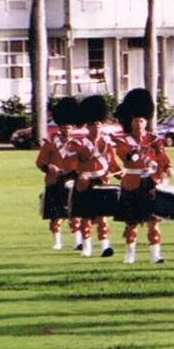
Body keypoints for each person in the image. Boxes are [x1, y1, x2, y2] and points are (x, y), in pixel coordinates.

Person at [111, 88, 174, 265]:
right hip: (132, 182)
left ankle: (155, 254)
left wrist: (167, 167)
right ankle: (130, 253)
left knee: (153, 221)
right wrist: (142, 157)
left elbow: (163, 157)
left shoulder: (154, 140)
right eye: (136, 120)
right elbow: (128, 157)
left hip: (151, 183)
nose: (139, 124)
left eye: (142, 120)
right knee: (132, 222)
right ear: (130, 122)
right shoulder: (123, 141)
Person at [64, 94, 119, 258]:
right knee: (85, 217)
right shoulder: (78, 144)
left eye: (99, 124)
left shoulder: (107, 144)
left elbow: (113, 164)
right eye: (93, 125)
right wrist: (80, 174)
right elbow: (70, 163)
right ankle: (87, 247)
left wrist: (123, 175)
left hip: (102, 181)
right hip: (85, 183)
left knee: (102, 217)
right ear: (87, 127)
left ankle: (105, 246)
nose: (96, 128)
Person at [35, 95, 80, 250]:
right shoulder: (50, 143)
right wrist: (49, 168)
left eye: (69, 127)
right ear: (60, 127)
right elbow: (40, 162)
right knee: (56, 216)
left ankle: (77, 242)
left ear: (73, 128)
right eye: (64, 127)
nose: (67, 130)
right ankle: (57, 242)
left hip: (73, 180)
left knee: (75, 214)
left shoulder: (78, 144)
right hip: (55, 180)